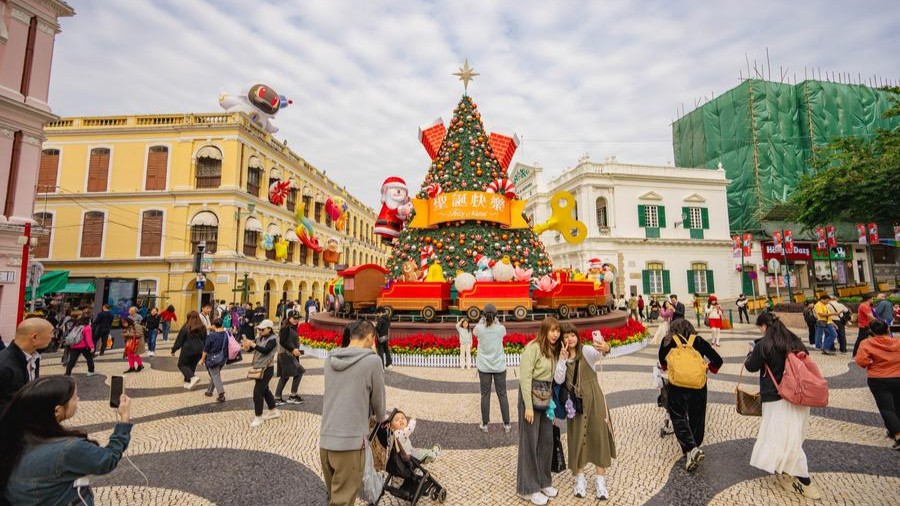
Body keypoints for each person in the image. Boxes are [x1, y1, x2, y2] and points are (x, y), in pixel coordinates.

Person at [0, 376, 133, 506]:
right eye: (75, 397)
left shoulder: (14, 435)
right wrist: (124, 419)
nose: (78, 399)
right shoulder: (67, 448)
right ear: (57, 410)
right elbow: (107, 460)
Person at [745, 312, 823, 499]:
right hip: (799, 396)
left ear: (764, 326)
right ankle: (786, 472)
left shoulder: (764, 344)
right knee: (793, 437)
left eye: (760, 328)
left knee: (783, 438)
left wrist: (751, 351)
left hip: (777, 397)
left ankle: (805, 481)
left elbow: (751, 366)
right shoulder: (795, 340)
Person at [319, 319, 386, 506]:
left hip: (326, 442)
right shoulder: (372, 361)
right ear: (372, 338)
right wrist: (382, 418)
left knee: (335, 498)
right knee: (343, 502)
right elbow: (379, 404)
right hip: (349, 445)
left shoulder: (330, 359)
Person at [555, 323, 615, 499]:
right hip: (574, 404)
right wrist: (561, 360)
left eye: (572, 335)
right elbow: (558, 379)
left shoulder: (586, 350)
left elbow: (600, 353)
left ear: (577, 336)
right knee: (577, 438)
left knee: (598, 436)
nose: (570, 339)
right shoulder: (561, 357)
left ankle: (600, 481)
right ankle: (580, 479)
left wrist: (606, 347)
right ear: (562, 340)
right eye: (566, 336)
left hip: (594, 398)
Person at [658, 319, 723, 471]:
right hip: (698, 385)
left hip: (677, 386)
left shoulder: (668, 341)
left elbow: (663, 363)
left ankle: (691, 449)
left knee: (678, 417)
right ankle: (693, 449)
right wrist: (706, 368)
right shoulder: (698, 341)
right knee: (697, 417)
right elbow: (718, 361)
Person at [517, 317, 562, 506]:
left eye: (557, 331)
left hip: (545, 396)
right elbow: (525, 377)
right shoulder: (532, 348)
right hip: (530, 396)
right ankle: (527, 488)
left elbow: (552, 379)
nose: (555, 334)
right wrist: (528, 406)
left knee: (546, 441)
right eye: (552, 331)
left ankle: (544, 482)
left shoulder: (553, 350)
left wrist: (551, 406)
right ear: (544, 331)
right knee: (529, 443)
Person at [854, 319, 900, 450]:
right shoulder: (898, 342)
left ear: (871, 331)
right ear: (887, 329)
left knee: (887, 408)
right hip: (898, 376)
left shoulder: (867, 343)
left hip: (879, 379)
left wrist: (872, 361)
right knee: (898, 405)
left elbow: (862, 362)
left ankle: (898, 434)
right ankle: (893, 430)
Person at [0, 318, 53, 413]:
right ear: (35, 337)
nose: (52, 336)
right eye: (50, 332)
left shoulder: (33, 357)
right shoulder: (4, 365)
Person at [474, 304, 511, 433]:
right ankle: (507, 424)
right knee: (503, 394)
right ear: (496, 316)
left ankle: (485, 424)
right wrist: (496, 321)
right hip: (499, 366)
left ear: (483, 315)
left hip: (484, 367)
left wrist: (482, 321)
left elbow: (475, 332)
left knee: (485, 395)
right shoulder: (501, 329)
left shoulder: (479, 328)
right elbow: (502, 331)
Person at [243, 319, 280, 427]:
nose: (260, 331)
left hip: (267, 368)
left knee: (257, 393)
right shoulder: (260, 338)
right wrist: (246, 347)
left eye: (262, 329)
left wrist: (253, 345)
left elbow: (265, 350)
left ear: (269, 329)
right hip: (258, 367)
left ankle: (258, 416)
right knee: (264, 390)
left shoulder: (273, 339)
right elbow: (252, 349)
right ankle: (273, 410)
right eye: (259, 329)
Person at [275, 311, 305, 406]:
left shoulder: (293, 328)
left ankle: (277, 397)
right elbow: (282, 341)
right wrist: (292, 350)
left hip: (290, 354)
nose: (296, 320)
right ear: (289, 318)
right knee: (299, 372)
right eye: (294, 318)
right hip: (286, 354)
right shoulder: (285, 328)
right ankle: (293, 395)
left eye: (298, 318)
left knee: (285, 376)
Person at [172, 311, 207, 389]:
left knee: (181, 365)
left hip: (188, 350)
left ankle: (193, 377)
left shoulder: (186, 327)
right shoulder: (203, 327)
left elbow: (179, 340)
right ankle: (189, 382)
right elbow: (205, 340)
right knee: (192, 366)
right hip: (199, 350)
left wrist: (174, 350)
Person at [199, 318, 229, 402]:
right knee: (215, 374)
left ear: (214, 325)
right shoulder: (226, 334)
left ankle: (221, 394)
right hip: (223, 358)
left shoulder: (211, 336)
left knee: (215, 375)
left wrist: (202, 359)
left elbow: (206, 349)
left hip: (213, 359)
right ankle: (209, 391)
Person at [63, 311, 95, 377]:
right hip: (84, 346)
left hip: (74, 346)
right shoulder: (87, 328)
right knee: (89, 358)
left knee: (72, 360)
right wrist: (91, 347)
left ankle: (67, 373)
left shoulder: (77, 326)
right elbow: (88, 339)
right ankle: (90, 371)